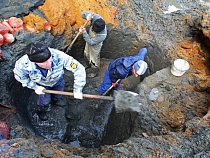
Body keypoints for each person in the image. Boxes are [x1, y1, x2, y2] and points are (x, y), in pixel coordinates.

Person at [13, 42, 86, 121]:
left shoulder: (59, 56)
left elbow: (79, 69)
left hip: (57, 80)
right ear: (34, 62)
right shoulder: (23, 64)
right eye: (44, 62)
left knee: (59, 92)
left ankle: (55, 100)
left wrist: (78, 89)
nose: (49, 63)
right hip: (42, 85)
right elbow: (20, 77)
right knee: (44, 101)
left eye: (49, 59)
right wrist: (34, 87)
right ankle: (41, 111)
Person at [79, 11, 107, 78]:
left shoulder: (102, 35)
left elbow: (91, 42)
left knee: (94, 60)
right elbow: (82, 13)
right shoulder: (96, 18)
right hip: (89, 38)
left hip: (95, 45)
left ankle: (95, 72)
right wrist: (87, 15)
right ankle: (88, 65)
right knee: (86, 53)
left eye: (95, 30)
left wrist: (84, 32)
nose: (94, 30)